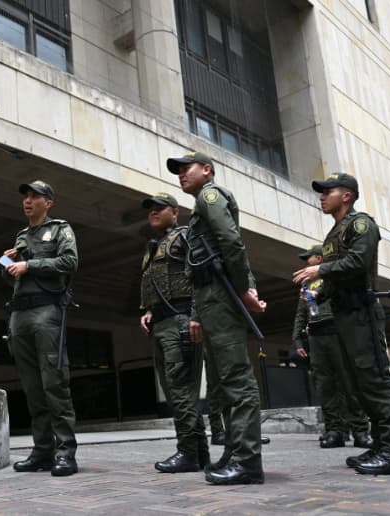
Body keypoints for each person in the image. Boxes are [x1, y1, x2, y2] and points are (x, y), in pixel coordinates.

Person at [293, 172, 390, 475]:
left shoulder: (361, 224)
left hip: (360, 313)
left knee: (373, 379)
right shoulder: (333, 234)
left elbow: (358, 263)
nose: (321, 196)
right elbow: (338, 276)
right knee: (358, 383)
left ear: (346, 195)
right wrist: (320, 296)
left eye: (327, 191)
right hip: (343, 314)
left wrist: (321, 270)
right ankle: (381, 444)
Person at [167, 151, 266, 485]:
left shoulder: (211, 196)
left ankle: (248, 461)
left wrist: (241, 291)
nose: (181, 175)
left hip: (222, 297)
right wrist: (197, 313)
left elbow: (232, 244)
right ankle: (235, 452)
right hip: (210, 298)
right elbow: (199, 269)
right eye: (177, 171)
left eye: (186, 169)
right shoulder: (199, 210)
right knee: (223, 383)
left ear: (207, 170)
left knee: (237, 380)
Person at [3, 180, 79, 477]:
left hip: (47, 311)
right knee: (32, 388)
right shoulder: (21, 235)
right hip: (19, 313)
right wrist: (7, 264)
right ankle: (42, 451)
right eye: (26, 196)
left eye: (35, 196)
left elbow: (70, 261)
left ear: (49, 202)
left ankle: (65, 453)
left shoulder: (61, 229)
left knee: (54, 383)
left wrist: (29, 265)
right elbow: (13, 279)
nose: (28, 201)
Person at [139, 192, 209, 473]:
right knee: (174, 390)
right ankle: (199, 453)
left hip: (181, 321)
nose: (153, 212)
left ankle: (188, 452)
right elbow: (156, 283)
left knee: (181, 390)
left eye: (160, 208)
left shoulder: (185, 237)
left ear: (175, 212)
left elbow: (201, 277)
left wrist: (196, 315)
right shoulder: (153, 245)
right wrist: (148, 310)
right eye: (150, 209)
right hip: (161, 322)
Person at [292, 244, 372, 449]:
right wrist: (297, 340)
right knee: (325, 385)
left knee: (348, 382)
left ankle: (361, 430)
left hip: (337, 330)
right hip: (316, 336)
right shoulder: (306, 283)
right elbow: (302, 313)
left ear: (319, 259)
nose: (305, 261)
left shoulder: (334, 275)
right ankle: (335, 430)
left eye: (308, 258)